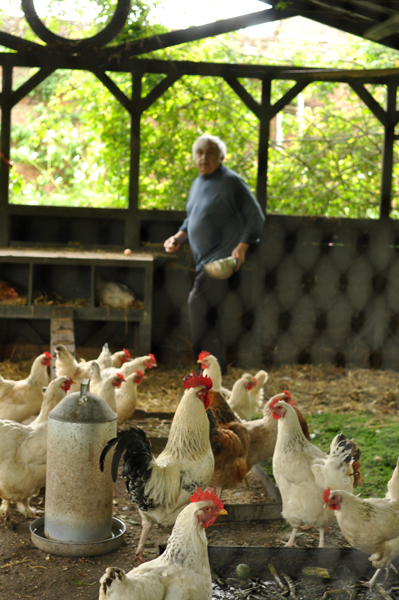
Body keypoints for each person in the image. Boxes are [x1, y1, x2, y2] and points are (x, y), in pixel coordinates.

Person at [164, 134, 265, 374]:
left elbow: (256, 217)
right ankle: (215, 367)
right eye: (199, 153)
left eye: (210, 152)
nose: (203, 157)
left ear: (221, 157)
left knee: (197, 304)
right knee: (210, 314)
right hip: (203, 262)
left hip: (221, 262)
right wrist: (178, 237)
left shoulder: (231, 182)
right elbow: (192, 218)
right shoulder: (198, 183)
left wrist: (242, 247)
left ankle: (208, 366)